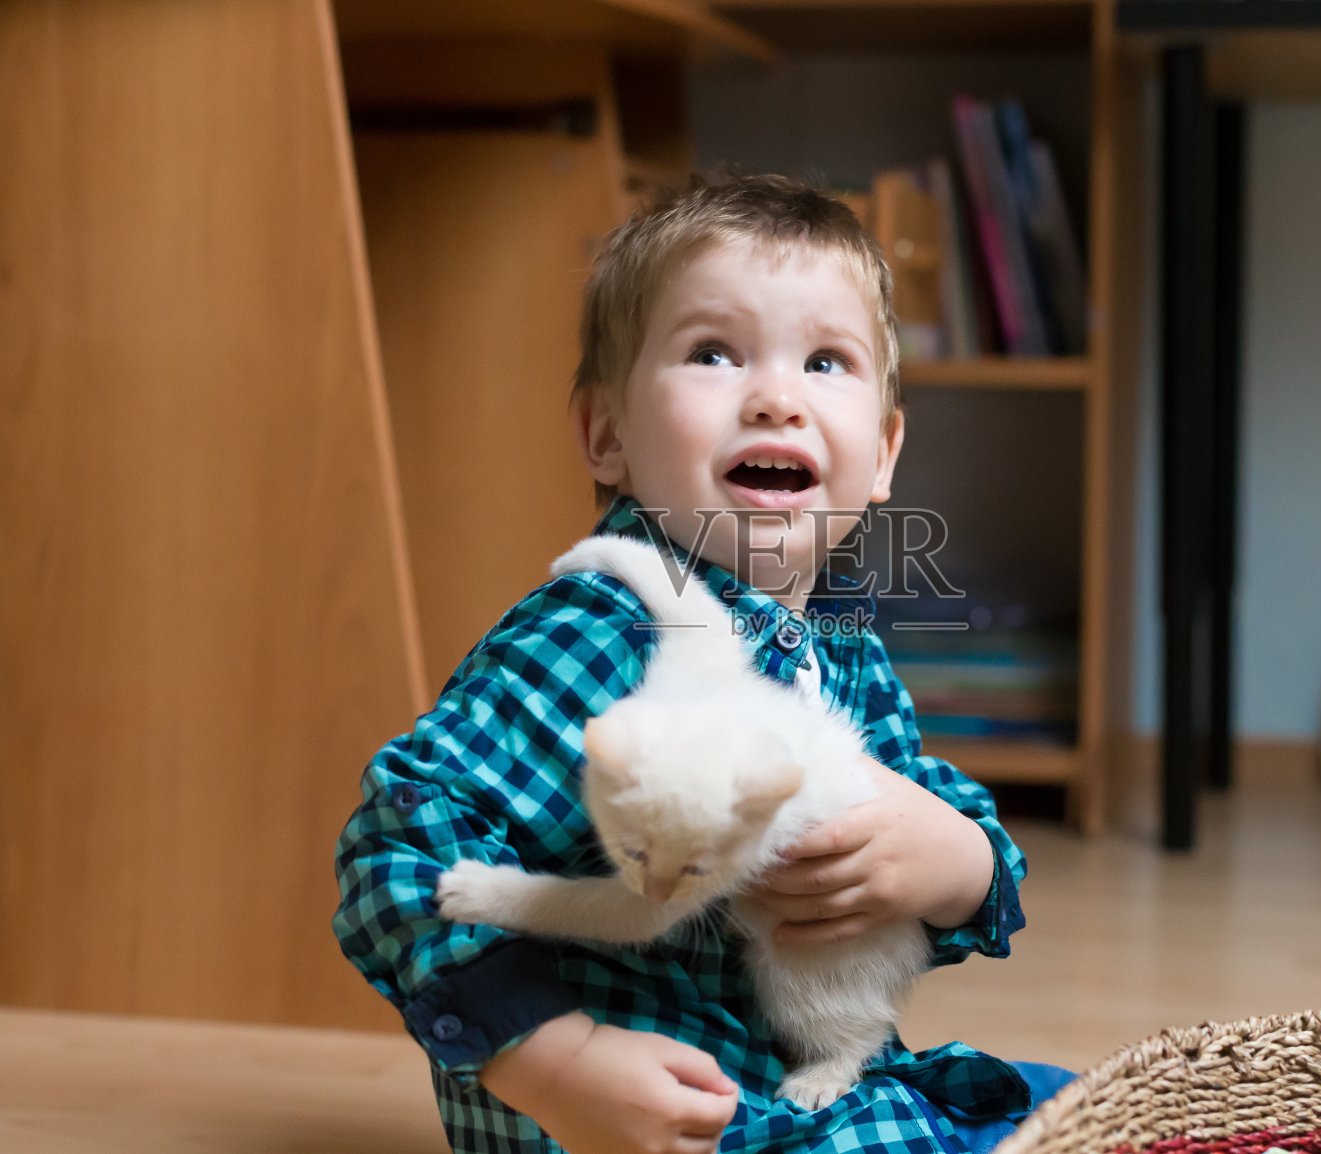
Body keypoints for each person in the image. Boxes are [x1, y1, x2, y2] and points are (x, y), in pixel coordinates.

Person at [333, 173, 1071, 1154]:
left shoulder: (843, 653)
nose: (774, 397)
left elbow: (939, 838)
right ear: (608, 436)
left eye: (826, 361)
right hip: (639, 1115)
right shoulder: (595, 641)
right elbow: (392, 852)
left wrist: (957, 863)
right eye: (713, 353)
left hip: (804, 1080)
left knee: (1060, 1106)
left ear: (883, 453)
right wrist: (553, 1059)